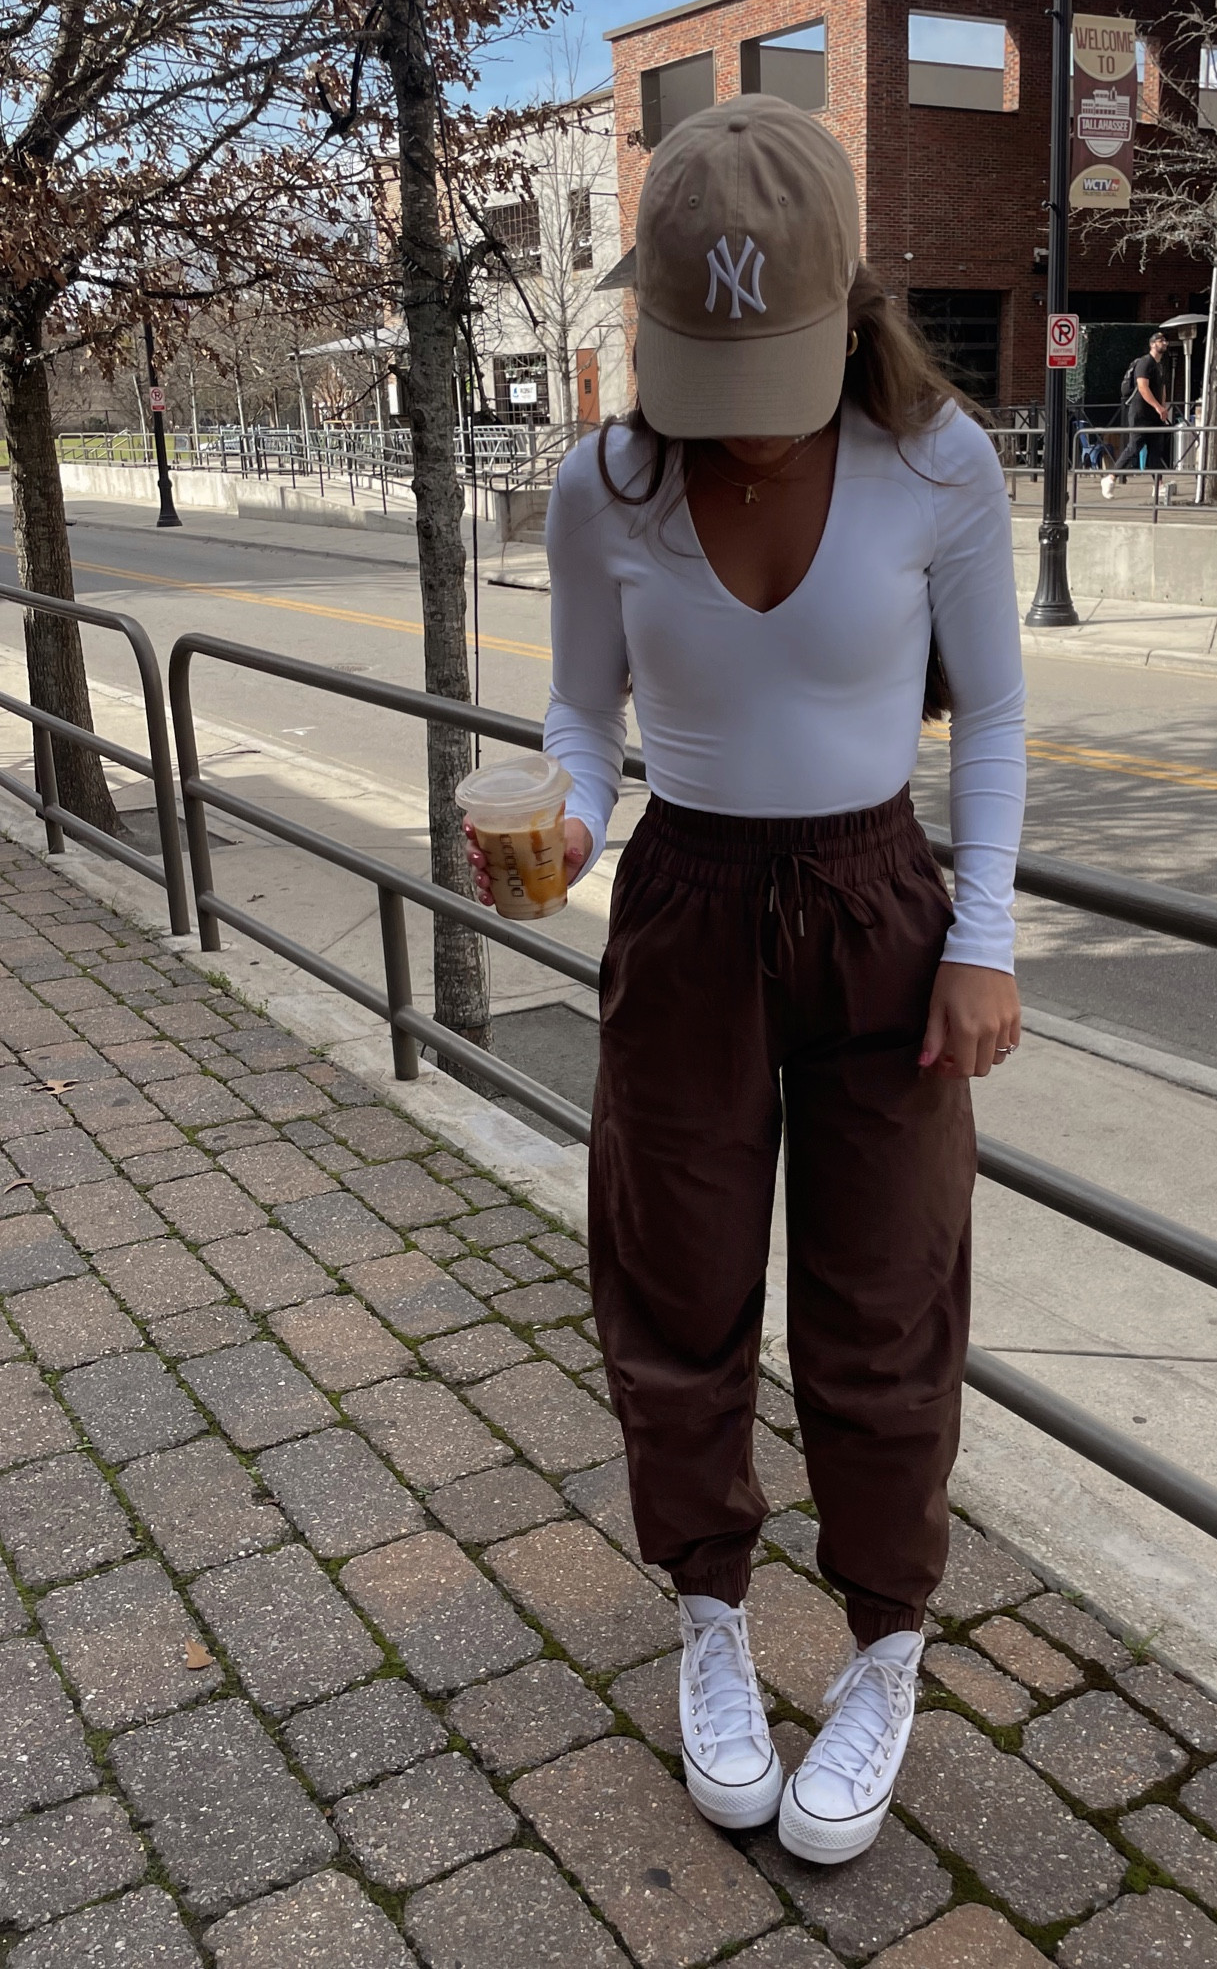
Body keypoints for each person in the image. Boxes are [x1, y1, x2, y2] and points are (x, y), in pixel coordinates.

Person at [465, 93, 1026, 1865]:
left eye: (772, 371)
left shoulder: (942, 467)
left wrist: (984, 935)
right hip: (688, 905)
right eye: (708, 376)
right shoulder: (604, 484)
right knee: (675, 1281)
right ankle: (709, 1613)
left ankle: (884, 1644)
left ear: (848, 308)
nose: (744, 425)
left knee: (886, 1303)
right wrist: (563, 815)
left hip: (880, 910)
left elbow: (997, 714)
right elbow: (582, 708)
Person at [1102, 327, 1171, 496]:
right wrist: (1157, 406)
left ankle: (1159, 485)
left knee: (1156, 450)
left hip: (1155, 415)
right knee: (1134, 446)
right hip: (1141, 413)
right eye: (1160, 341)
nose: (1164, 343)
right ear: (1152, 344)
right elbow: (1142, 387)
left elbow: (1162, 388)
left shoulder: (1160, 366)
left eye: (1165, 341)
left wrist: (1163, 407)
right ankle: (1110, 478)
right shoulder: (1145, 362)